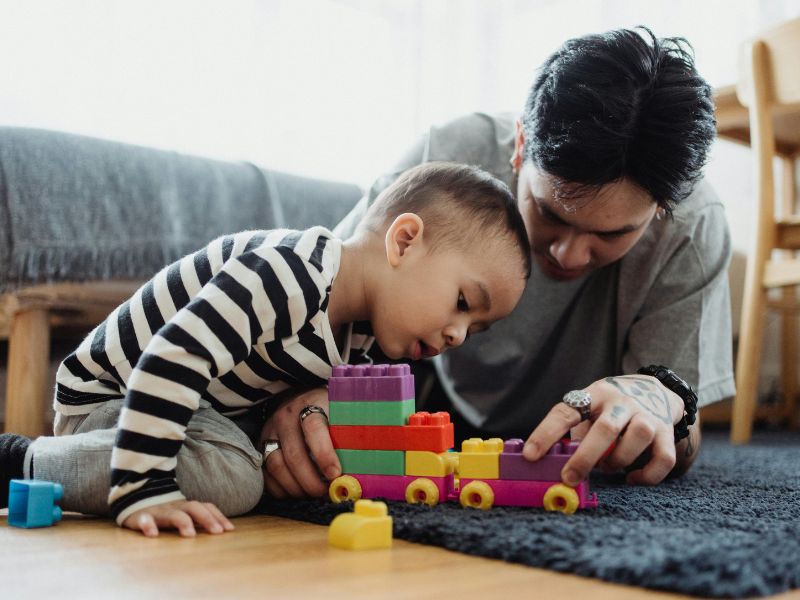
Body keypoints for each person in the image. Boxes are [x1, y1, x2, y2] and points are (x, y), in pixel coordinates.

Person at [260, 26, 732, 499]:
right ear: (521, 145)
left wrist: (659, 404)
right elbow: (319, 302)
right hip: (422, 406)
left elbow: (682, 440)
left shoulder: (692, 228)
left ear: (663, 207)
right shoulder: (444, 164)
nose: (567, 254)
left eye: (611, 234)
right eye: (548, 213)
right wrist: (299, 397)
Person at [0, 161, 532, 537]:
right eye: (463, 302)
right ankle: (21, 461)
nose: (458, 336)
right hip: (112, 399)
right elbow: (173, 357)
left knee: (251, 467)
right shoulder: (290, 273)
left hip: (200, 412)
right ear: (404, 240)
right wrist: (146, 488)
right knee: (235, 478)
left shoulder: (362, 335)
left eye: (477, 329)